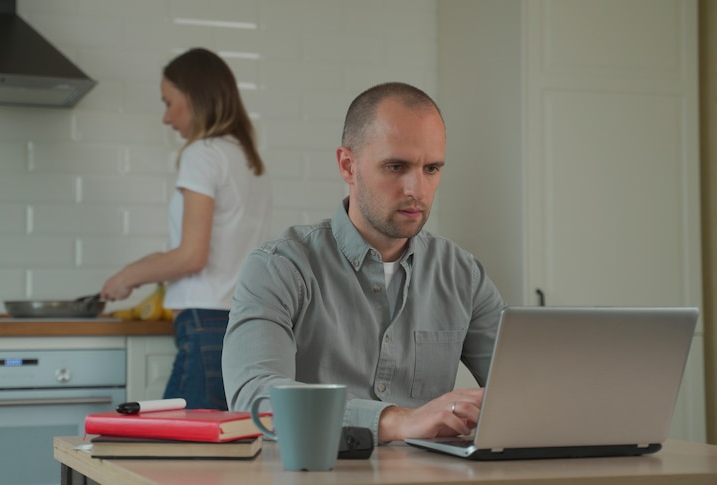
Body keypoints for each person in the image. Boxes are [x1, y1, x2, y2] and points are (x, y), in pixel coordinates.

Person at [222, 82, 505, 443]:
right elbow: (255, 398)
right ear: (347, 165)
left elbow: (525, 388)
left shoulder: (463, 274)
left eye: (431, 169)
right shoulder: (279, 267)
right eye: (396, 166)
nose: (416, 189)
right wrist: (397, 421)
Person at [102, 47, 271, 410]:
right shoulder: (246, 158)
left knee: (179, 455)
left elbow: (191, 256)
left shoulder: (203, 154)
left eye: (168, 102)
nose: (166, 118)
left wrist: (127, 276)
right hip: (242, 324)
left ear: (193, 97)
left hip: (204, 325)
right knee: (217, 451)